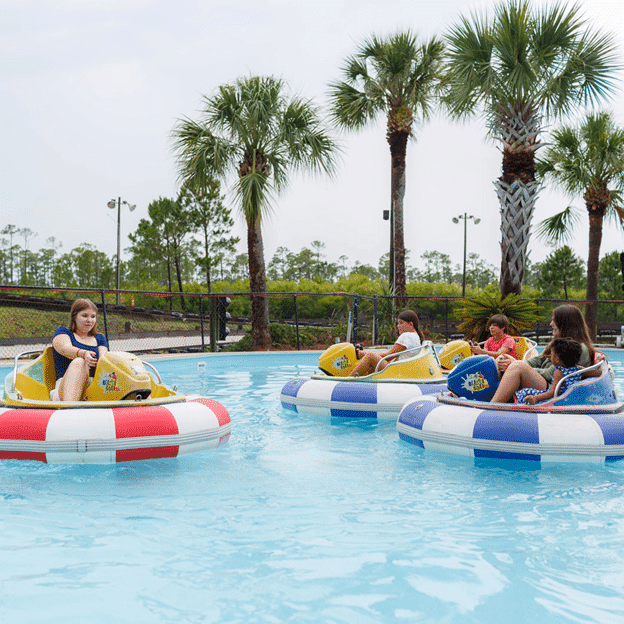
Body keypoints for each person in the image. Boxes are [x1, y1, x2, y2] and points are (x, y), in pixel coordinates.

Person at [491, 304, 599, 403]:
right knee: (503, 358)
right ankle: (492, 396)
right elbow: (539, 359)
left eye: (554, 321)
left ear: (565, 324)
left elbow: (551, 373)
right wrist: (515, 363)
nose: (551, 323)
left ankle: (493, 405)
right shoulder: (559, 342)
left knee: (517, 367)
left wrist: (517, 365)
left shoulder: (578, 348)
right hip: (545, 382)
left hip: (553, 389)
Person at [51, 298, 109, 401]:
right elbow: (65, 349)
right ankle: (69, 408)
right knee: (79, 362)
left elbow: (104, 361)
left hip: (93, 387)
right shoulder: (63, 332)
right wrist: (84, 354)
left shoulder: (100, 338)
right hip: (65, 387)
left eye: (93, 316)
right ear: (74, 317)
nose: (89, 320)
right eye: (84, 316)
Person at [349, 310, 423, 377]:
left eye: (401, 323)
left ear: (410, 324)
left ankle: (348, 380)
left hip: (396, 372)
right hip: (401, 370)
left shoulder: (407, 336)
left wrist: (362, 354)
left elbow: (389, 355)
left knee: (370, 356)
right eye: (398, 323)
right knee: (372, 362)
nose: (398, 326)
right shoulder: (416, 337)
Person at [516, 337, 583, 405]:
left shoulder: (559, 372)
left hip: (553, 399)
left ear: (557, 359)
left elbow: (552, 392)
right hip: (567, 396)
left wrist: (535, 398)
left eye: (551, 354)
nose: (550, 356)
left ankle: (514, 400)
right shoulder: (578, 369)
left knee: (524, 391)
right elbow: (592, 371)